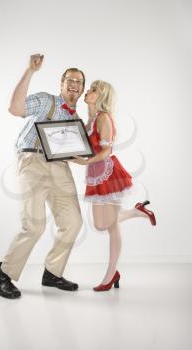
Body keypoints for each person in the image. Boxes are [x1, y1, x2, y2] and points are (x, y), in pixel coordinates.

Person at [0, 54, 85, 298]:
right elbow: (15, 108)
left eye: (79, 82)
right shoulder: (47, 101)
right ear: (62, 83)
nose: (74, 84)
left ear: (82, 89)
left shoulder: (77, 120)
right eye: (70, 80)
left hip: (59, 168)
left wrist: (93, 158)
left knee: (73, 222)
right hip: (32, 161)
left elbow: (74, 155)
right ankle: (5, 275)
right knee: (34, 225)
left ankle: (52, 273)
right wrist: (30, 71)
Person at [72, 80, 156, 292]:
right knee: (101, 225)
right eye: (89, 88)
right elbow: (89, 147)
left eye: (93, 90)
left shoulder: (103, 118)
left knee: (111, 226)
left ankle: (110, 274)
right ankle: (138, 211)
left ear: (101, 97)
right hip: (95, 174)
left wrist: (85, 162)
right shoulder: (90, 119)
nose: (88, 91)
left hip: (109, 174)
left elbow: (106, 153)